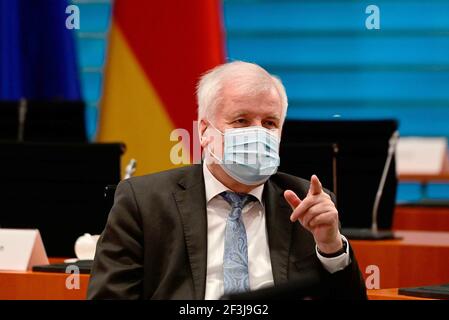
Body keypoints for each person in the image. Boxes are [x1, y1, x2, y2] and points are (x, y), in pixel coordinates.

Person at [87, 61, 367, 300]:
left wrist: (331, 247)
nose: (258, 133)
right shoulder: (144, 202)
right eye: (242, 121)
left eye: (270, 123)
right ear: (205, 131)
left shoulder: (307, 201)